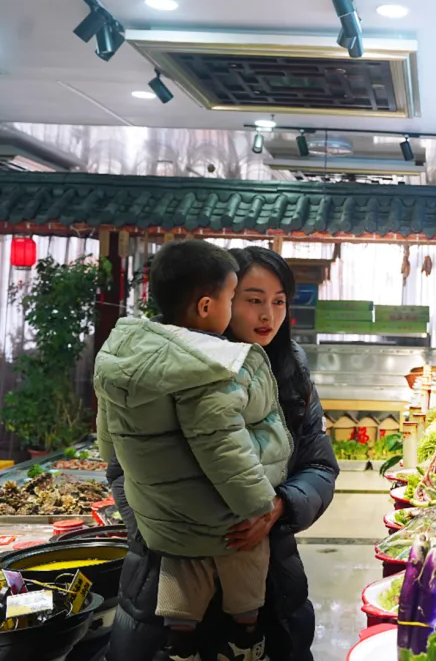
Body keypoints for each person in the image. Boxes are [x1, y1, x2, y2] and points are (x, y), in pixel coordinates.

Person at [105, 245, 340, 661]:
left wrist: (278, 508)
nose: (268, 315)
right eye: (251, 300)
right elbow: (119, 466)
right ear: (213, 300)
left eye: (279, 301)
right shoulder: (152, 367)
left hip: (268, 577)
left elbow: (319, 466)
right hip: (163, 566)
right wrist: (156, 526)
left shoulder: (290, 367)